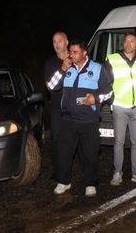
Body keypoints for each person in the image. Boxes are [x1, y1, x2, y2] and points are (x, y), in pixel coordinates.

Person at [47, 39, 113, 197]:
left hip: (88, 121)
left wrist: (96, 98)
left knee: (90, 154)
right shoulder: (66, 67)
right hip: (68, 120)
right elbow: (51, 86)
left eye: (75, 52)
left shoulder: (97, 69)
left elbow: (109, 92)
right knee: (64, 153)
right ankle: (64, 182)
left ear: (84, 53)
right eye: (70, 51)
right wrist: (62, 70)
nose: (72, 55)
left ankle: (90, 183)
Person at [105, 32, 136, 186]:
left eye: (132, 41)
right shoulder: (113, 59)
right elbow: (105, 83)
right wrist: (112, 100)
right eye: (126, 40)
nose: (128, 43)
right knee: (119, 142)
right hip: (119, 107)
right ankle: (117, 172)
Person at [43, 31, 69, 179]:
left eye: (60, 41)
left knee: (78, 140)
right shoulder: (51, 63)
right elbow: (51, 87)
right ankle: (58, 172)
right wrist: (62, 69)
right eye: (54, 42)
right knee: (57, 140)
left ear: (66, 42)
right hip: (57, 108)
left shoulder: (76, 58)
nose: (57, 44)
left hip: (75, 108)